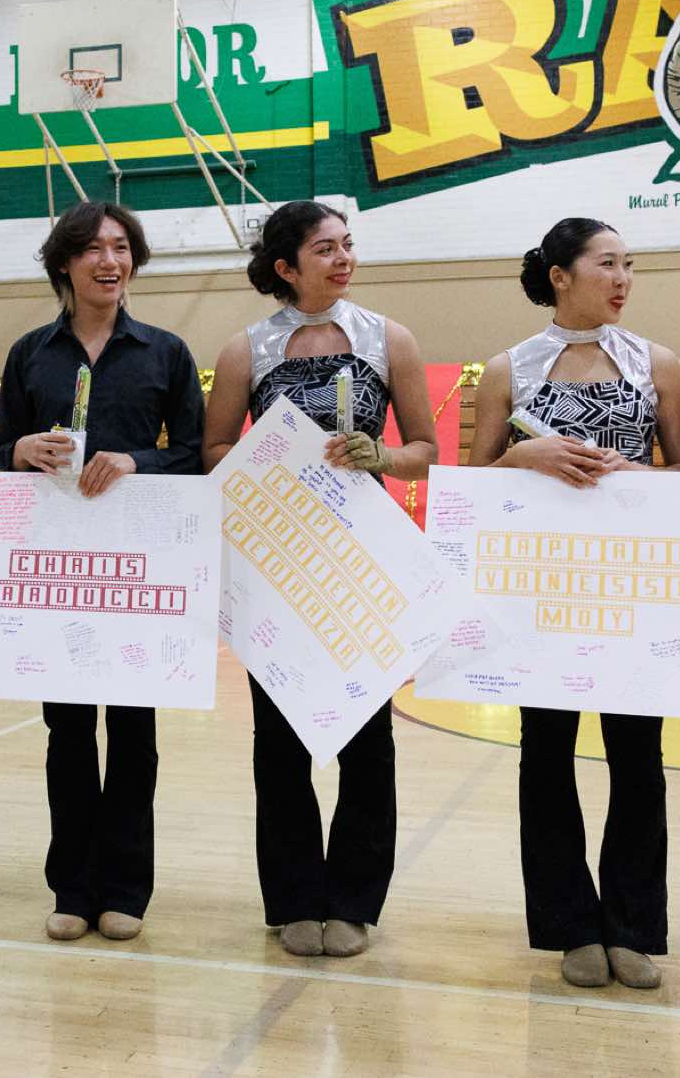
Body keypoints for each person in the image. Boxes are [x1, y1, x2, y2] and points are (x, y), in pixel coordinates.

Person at [202, 199, 439, 959]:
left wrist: (383, 456)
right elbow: (213, 450)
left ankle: (355, 901)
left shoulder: (389, 338)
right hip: (279, 566)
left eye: (347, 245)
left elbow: (426, 448)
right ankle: (294, 898)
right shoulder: (245, 349)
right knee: (279, 742)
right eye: (325, 249)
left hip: (363, 565)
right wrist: (273, 463)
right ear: (285, 266)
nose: (343, 259)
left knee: (368, 742)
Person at [466, 217, 680, 991]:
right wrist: (521, 454)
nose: (623, 278)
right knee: (546, 756)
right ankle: (569, 925)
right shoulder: (508, 369)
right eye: (607, 264)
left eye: (629, 265)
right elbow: (473, 484)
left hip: (634, 591)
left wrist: (639, 475)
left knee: (639, 760)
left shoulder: (658, 363)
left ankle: (632, 926)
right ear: (560, 276)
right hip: (540, 596)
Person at [0, 201, 205, 944]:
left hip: (138, 568)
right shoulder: (30, 353)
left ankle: (126, 890)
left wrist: (137, 460)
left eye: (121, 248)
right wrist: (21, 450)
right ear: (65, 263)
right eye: (93, 249)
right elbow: (0, 451)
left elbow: (196, 451)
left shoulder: (165, 351)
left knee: (135, 732)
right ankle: (72, 888)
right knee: (69, 732)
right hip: (60, 569)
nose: (110, 261)